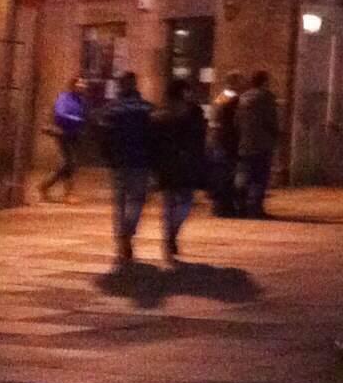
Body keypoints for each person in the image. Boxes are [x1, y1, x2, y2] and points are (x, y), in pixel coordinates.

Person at [97, 72, 153, 267]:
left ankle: (121, 236)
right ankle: (128, 233)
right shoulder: (147, 108)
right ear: (135, 85)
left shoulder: (111, 109)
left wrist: (107, 157)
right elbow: (154, 136)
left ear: (121, 86)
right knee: (136, 200)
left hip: (119, 161)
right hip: (141, 161)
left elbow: (103, 136)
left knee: (119, 201)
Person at [151, 80, 207, 263]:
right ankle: (170, 236)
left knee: (176, 203)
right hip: (178, 164)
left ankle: (171, 234)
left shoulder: (187, 113)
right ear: (183, 93)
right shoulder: (169, 115)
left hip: (173, 165)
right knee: (180, 202)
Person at [236, 69, 281, 218]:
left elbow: (236, 121)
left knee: (244, 175)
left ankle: (240, 207)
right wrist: (276, 135)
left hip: (244, 143)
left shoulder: (242, 98)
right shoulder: (266, 98)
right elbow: (271, 121)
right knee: (259, 177)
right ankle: (255, 209)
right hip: (262, 143)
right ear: (264, 81)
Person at [39, 76, 89, 201]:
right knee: (69, 162)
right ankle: (50, 187)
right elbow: (60, 114)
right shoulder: (65, 98)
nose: (82, 86)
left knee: (70, 163)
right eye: (80, 84)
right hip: (63, 133)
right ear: (73, 85)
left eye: (84, 84)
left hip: (73, 134)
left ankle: (60, 191)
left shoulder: (80, 100)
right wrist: (77, 120)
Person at [209, 73, 242, 217]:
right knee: (228, 176)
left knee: (220, 175)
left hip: (217, 140)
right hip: (228, 142)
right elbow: (236, 122)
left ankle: (218, 207)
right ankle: (225, 208)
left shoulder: (220, 97)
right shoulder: (234, 99)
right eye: (240, 81)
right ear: (234, 82)